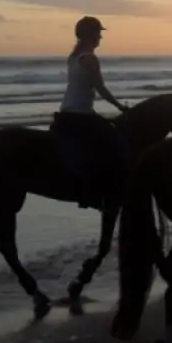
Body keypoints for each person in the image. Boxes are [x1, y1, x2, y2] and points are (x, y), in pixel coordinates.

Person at [52, 16, 130, 207]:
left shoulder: (74, 57)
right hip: (81, 114)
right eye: (98, 33)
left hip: (68, 111)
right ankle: (96, 192)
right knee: (116, 143)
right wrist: (120, 107)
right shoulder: (89, 59)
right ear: (90, 35)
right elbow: (101, 88)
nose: (100, 38)